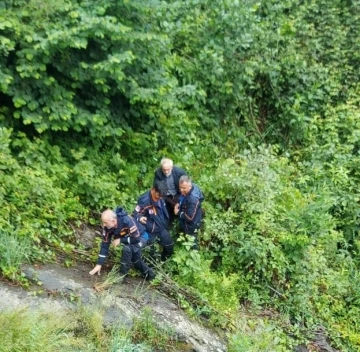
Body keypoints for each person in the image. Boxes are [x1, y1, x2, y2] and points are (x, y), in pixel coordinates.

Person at [89, 207, 155, 281]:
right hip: (130, 239)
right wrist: (99, 264)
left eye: (105, 222)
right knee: (136, 260)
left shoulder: (127, 221)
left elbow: (136, 239)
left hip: (141, 237)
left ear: (113, 221)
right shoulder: (107, 227)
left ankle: (122, 276)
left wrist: (120, 240)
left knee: (127, 249)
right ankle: (151, 276)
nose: (103, 225)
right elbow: (105, 245)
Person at [133, 181, 174, 262]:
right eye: (159, 196)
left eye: (162, 196)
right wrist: (140, 218)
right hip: (150, 231)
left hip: (161, 227)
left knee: (169, 245)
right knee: (151, 255)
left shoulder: (160, 196)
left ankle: (164, 262)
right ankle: (152, 268)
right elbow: (135, 214)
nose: (160, 198)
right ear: (153, 190)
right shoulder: (144, 201)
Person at [174, 175, 204, 250]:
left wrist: (178, 213)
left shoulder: (192, 199)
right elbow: (182, 197)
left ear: (189, 186)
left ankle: (194, 255)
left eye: (184, 188)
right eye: (180, 187)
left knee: (192, 241)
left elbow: (190, 218)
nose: (181, 190)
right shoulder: (190, 189)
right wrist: (179, 203)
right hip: (187, 217)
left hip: (191, 225)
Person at [153, 158, 187, 223]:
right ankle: (168, 223)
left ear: (172, 167)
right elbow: (156, 186)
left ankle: (180, 222)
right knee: (165, 211)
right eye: (164, 170)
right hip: (166, 195)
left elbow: (187, 184)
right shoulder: (158, 173)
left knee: (180, 207)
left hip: (178, 193)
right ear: (161, 168)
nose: (166, 172)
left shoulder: (180, 172)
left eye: (168, 169)